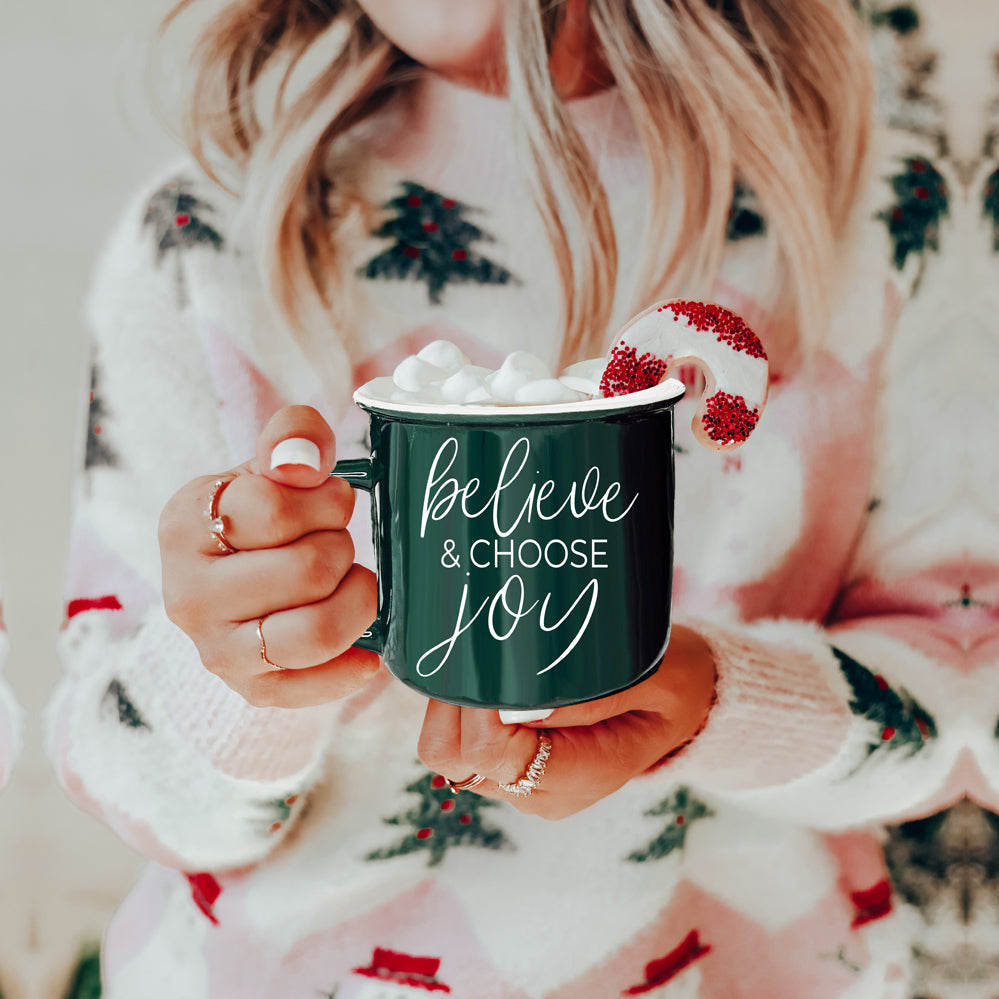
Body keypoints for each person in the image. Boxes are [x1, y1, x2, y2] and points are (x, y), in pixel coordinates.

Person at [47, 0, 989, 995]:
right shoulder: (202, 243)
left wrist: (719, 701)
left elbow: (962, 712)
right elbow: (126, 782)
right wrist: (234, 682)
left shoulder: (891, 225)